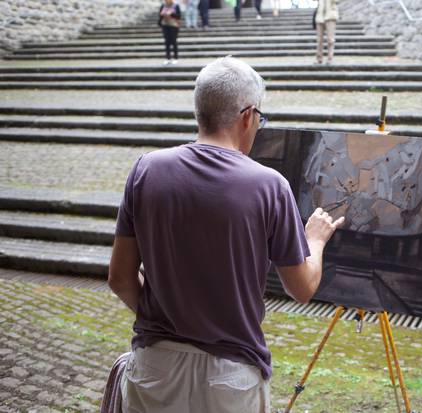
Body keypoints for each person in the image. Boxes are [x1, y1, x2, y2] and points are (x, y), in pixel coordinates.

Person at [108, 56, 344, 412]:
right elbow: (301, 288)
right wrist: (316, 239)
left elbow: (119, 278)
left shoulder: (147, 170)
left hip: (154, 369)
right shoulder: (269, 186)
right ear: (248, 116)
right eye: (260, 119)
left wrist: (167, 316)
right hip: (230, 378)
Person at [314, 0, 338, 65]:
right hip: (320, 16)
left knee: (330, 40)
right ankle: (319, 59)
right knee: (319, 40)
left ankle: (330, 59)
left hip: (330, 16)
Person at [158, 0, 181, 65]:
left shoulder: (176, 6)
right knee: (167, 42)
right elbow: (160, 16)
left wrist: (171, 14)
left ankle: (175, 58)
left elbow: (179, 16)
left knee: (174, 41)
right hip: (165, 25)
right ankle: (168, 58)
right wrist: (162, 14)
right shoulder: (163, 6)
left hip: (174, 25)